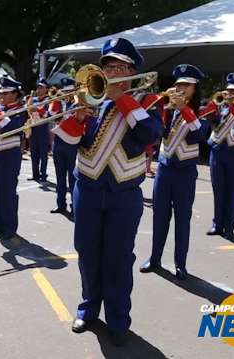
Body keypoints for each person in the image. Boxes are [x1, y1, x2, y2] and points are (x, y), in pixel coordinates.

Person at [57, 38, 162, 345]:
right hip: (87, 189)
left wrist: (121, 99)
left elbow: (150, 133)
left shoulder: (147, 101)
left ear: (131, 72)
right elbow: (65, 142)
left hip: (123, 193)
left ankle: (118, 320)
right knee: (87, 254)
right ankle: (88, 308)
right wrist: (76, 118)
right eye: (107, 67)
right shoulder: (90, 99)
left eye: (119, 67)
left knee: (117, 259)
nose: (112, 72)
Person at [140, 64, 207, 280]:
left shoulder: (202, 112)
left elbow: (198, 135)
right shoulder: (167, 110)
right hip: (165, 170)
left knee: (182, 219)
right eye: (178, 85)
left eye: (186, 85)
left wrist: (183, 109)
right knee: (159, 217)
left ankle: (180, 263)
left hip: (185, 172)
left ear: (195, 89)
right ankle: (155, 258)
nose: (180, 89)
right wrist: (163, 106)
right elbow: (155, 133)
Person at [201, 73, 234, 239]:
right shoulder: (221, 104)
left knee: (232, 191)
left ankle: (229, 227)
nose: (232, 94)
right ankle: (217, 224)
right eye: (230, 90)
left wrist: (232, 105)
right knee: (218, 190)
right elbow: (211, 121)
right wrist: (213, 106)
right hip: (217, 150)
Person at [0, 76, 27, 240]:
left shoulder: (21, 109)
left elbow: (13, 127)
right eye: (0, 93)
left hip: (9, 154)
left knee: (8, 192)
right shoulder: (0, 108)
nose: (1, 96)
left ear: (15, 94)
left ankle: (10, 227)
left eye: (6, 93)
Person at [49, 77, 79, 216]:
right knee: (60, 177)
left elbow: (73, 121)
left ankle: (75, 206)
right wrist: (56, 99)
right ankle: (60, 204)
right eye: (65, 92)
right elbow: (52, 115)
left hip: (72, 144)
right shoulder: (60, 104)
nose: (68, 94)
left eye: (71, 91)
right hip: (58, 143)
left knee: (73, 178)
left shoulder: (79, 104)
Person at [28, 78, 51, 182]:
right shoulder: (34, 100)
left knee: (43, 154)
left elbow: (45, 113)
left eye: (41, 87)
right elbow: (28, 111)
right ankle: (35, 174)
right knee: (34, 153)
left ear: (46, 89)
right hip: (34, 128)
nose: (39, 89)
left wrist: (35, 109)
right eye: (38, 87)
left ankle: (43, 173)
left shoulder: (48, 100)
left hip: (43, 129)